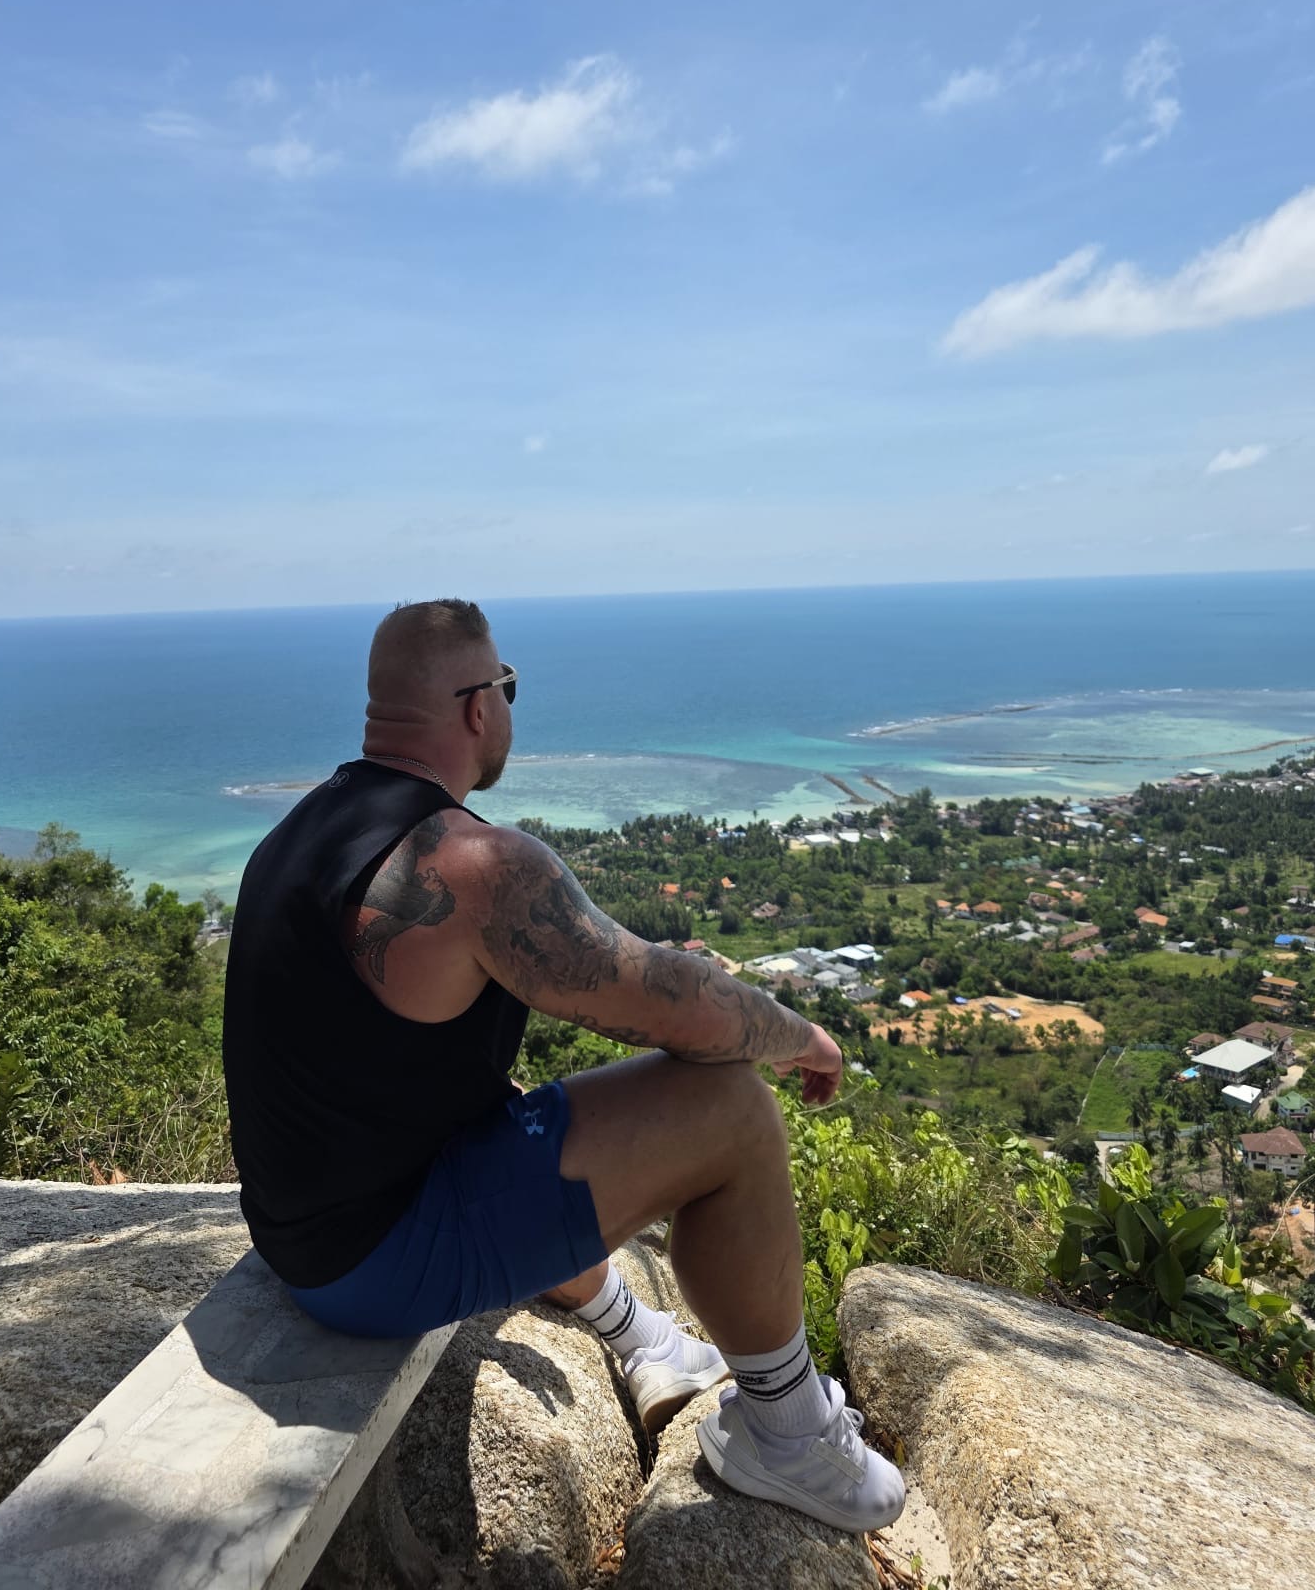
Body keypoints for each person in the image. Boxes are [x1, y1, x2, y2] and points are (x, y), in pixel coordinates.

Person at [223, 598, 904, 1534]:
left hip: (303, 1230)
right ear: (478, 706)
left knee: (525, 1113)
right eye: (508, 685)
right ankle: (789, 1436)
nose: (508, 702)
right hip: (369, 1266)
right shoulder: (470, 862)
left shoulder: (304, 830)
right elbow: (678, 1005)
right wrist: (801, 1037)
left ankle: (641, 1337)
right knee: (732, 1109)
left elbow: (390, 1074)